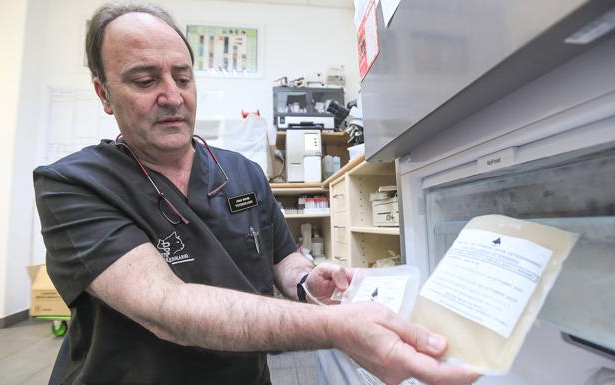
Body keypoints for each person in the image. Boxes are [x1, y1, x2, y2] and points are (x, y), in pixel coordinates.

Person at [33, 3, 478, 385]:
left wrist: (307, 281)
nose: (172, 96)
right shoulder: (73, 184)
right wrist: (335, 326)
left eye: (183, 78)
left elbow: (283, 259)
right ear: (104, 93)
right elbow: (166, 308)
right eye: (145, 80)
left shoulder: (241, 172)